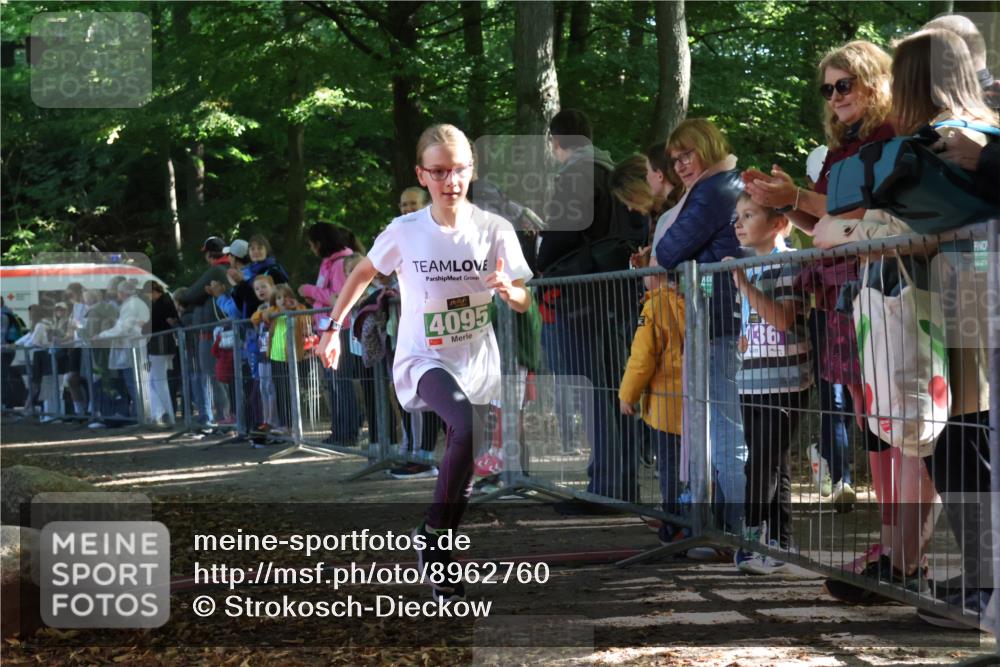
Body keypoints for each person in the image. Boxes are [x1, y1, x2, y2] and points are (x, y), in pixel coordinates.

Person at [317, 123, 532, 602]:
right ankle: (434, 535)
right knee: (465, 429)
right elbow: (364, 274)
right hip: (423, 356)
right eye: (438, 172)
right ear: (422, 174)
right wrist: (332, 328)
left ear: (471, 170)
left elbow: (522, 300)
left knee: (467, 459)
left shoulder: (495, 229)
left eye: (458, 170)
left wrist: (508, 290)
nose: (450, 180)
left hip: (476, 359)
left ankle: (440, 547)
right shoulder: (405, 230)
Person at [744, 41, 915, 594]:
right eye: (829, 88)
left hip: (884, 293)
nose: (836, 96)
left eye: (846, 84)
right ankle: (891, 546)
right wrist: (783, 201)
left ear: (874, 81)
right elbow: (821, 223)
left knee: (897, 424)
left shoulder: (890, 136)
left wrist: (800, 198)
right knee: (870, 419)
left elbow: (864, 213)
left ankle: (901, 551)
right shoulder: (841, 148)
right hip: (843, 298)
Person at [887, 27, 998, 630]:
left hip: (970, 317)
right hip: (955, 313)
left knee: (965, 447)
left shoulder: (964, 139)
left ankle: (986, 589)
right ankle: (981, 579)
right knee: (958, 446)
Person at [536, 109, 646, 508]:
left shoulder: (576, 176)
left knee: (594, 391)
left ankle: (606, 487)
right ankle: (619, 480)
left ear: (557, 142)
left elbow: (558, 240)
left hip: (582, 299)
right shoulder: (611, 171)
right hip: (615, 294)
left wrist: (537, 259)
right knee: (617, 390)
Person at [652, 118, 745, 550]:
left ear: (707, 146)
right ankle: (725, 527)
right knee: (717, 429)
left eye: (686, 154)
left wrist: (669, 253)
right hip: (714, 319)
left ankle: (737, 529)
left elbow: (668, 250)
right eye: (674, 160)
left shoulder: (715, 189)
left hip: (719, 322)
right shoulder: (719, 185)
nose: (681, 165)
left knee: (725, 431)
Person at [726, 194, 812, 574]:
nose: (738, 223)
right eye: (737, 217)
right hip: (752, 380)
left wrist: (745, 287)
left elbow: (783, 320)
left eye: (749, 215)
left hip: (785, 381)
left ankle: (753, 539)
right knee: (772, 461)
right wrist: (744, 340)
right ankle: (781, 542)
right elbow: (756, 323)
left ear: (778, 224)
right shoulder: (753, 269)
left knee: (760, 464)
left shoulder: (789, 264)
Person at [618, 269, 686, 546]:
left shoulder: (654, 306)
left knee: (670, 468)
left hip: (666, 406)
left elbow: (642, 357)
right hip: (697, 404)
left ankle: (675, 525)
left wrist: (627, 394)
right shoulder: (697, 299)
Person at [300, 223, 364, 445]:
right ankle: (340, 431)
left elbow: (338, 297)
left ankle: (347, 433)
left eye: (311, 244)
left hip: (341, 330)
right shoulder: (328, 264)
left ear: (319, 243)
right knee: (334, 384)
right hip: (328, 330)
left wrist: (308, 291)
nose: (310, 248)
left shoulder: (339, 264)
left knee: (340, 383)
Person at [177, 236, 231, 426]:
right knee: (220, 377)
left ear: (209, 255)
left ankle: (225, 419)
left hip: (213, 333)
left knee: (217, 377)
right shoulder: (230, 269)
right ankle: (225, 418)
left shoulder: (216, 270)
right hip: (218, 330)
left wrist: (194, 299)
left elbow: (190, 295)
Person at [147, 281, 179, 426]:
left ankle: (166, 415)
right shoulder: (163, 301)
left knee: (158, 382)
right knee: (155, 382)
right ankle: (160, 414)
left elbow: (169, 321)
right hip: (161, 344)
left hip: (160, 345)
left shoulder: (163, 301)